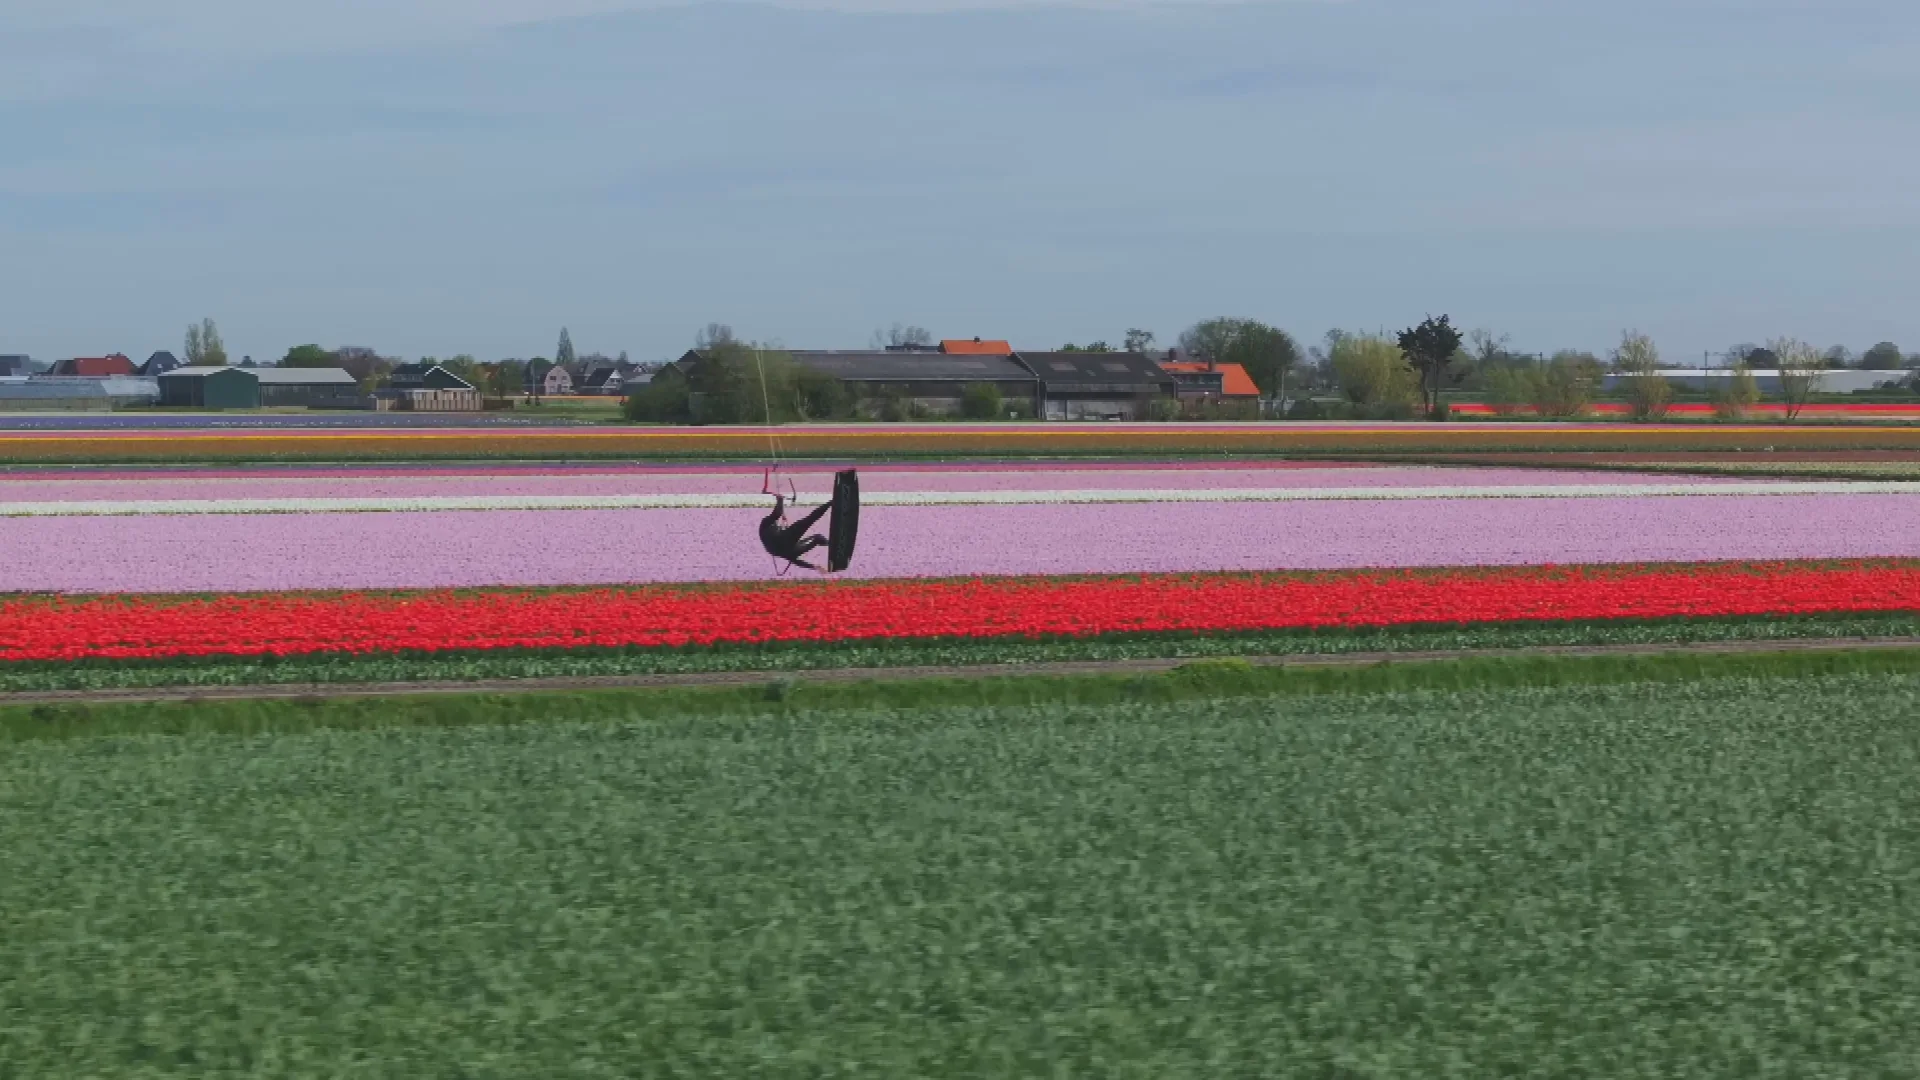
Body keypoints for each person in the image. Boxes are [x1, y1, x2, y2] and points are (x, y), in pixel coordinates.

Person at [759, 469, 833, 573]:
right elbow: (797, 562)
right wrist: (780, 500)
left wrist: (814, 567)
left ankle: (831, 505)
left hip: (781, 546)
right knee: (809, 522)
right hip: (781, 544)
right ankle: (831, 503)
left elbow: (797, 562)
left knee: (812, 530)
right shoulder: (767, 527)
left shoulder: (767, 527)